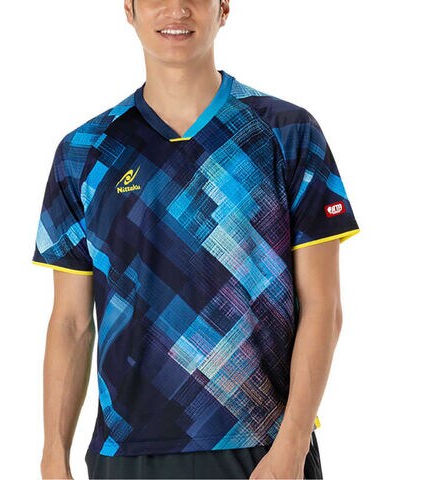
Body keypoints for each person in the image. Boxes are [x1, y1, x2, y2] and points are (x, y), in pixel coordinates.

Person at [32, 0, 360, 478]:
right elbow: (71, 322)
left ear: (223, 8)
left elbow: (323, 308)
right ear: (129, 9)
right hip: (125, 454)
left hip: (261, 448)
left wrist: (291, 446)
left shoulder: (287, 133)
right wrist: (52, 457)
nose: (177, 9)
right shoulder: (84, 152)